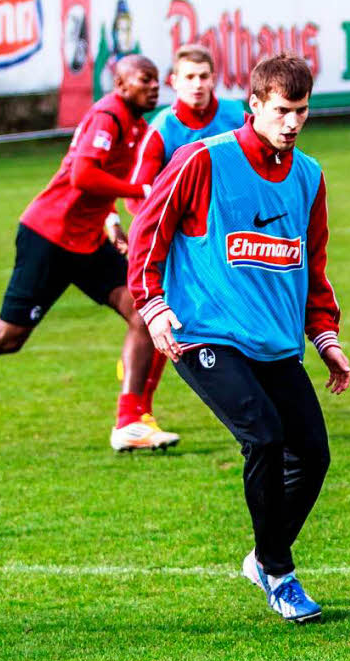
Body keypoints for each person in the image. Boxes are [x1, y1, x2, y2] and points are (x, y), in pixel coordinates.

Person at [128, 53, 350, 623]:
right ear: (253, 105)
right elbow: (148, 230)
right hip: (202, 332)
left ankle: (263, 556)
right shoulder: (204, 158)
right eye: (282, 110)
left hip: (275, 342)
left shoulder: (309, 176)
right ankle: (279, 572)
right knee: (263, 434)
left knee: (315, 456)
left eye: (302, 111)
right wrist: (153, 307)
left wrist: (324, 336)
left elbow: (314, 265)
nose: (293, 122)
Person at [0, 55, 179, 452]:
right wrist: (140, 192)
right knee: (7, 338)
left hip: (87, 240)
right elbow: (83, 175)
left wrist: (110, 221)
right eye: (145, 79)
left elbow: (100, 184)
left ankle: (129, 423)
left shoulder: (135, 125)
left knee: (144, 310)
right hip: (50, 236)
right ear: (121, 85)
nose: (154, 86)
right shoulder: (108, 114)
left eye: (157, 80)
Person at [123, 44, 246, 432]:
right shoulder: (163, 129)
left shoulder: (235, 116)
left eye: (204, 76)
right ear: (174, 82)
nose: (197, 85)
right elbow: (138, 195)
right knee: (160, 318)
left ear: (214, 79)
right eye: (188, 77)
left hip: (229, 241)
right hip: (178, 245)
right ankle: (135, 411)